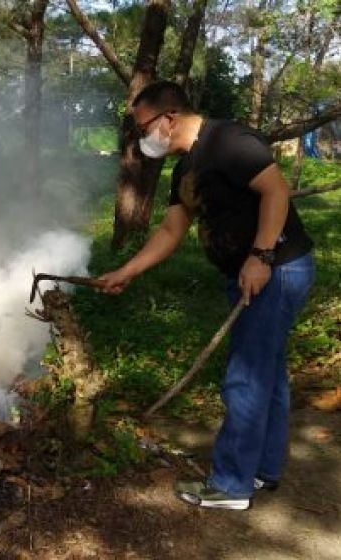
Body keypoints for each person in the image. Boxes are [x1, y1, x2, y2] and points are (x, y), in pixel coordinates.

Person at [97, 81, 315, 510]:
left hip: (278, 269)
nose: (143, 138)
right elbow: (169, 231)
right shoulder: (185, 168)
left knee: (246, 377)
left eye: (144, 127)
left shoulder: (229, 141)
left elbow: (276, 191)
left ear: (170, 118)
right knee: (267, 375)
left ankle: (231, 486)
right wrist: (126, 271)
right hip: (251, 272)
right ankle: (262, 469)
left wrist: (261, 255)